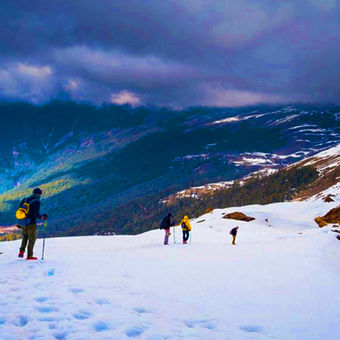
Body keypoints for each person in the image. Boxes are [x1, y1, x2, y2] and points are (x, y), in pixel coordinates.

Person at [17, 188, 48, 260]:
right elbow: (35, 213)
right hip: (31, 223)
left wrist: (19, 222)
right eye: (40, 195)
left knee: (25, 237)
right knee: (32, 239)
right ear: (38, 194)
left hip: (23, 222)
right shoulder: (36, 202)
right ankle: (29, 256)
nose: (40, 196)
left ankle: (21, 252)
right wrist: (42, 217)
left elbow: (20, 210)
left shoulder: (24, 199)